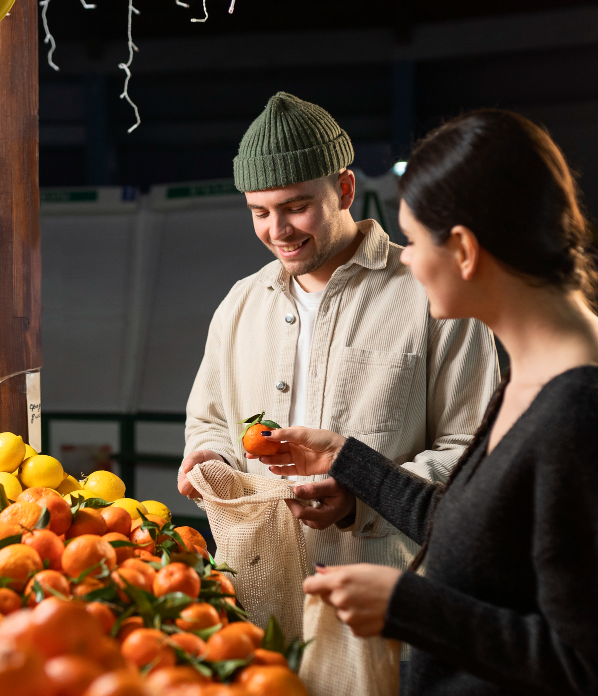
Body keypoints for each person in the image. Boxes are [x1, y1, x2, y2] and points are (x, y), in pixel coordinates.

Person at [254, 110, 598, 696]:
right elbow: (479, 531)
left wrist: (410, 606)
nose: (402, 256)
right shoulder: (535, 369)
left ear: (463, 248)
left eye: (414, 239)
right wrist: (350, 459)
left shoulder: (587, 414)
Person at [179, 91, 499, 578]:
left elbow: (473, 450)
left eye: (295, 207)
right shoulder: (240, 304)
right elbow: (211, 421)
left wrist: (360, 500)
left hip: (387, 606)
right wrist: (210, 456)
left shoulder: (435, 296)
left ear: (345, 190)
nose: (277, 231)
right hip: (253, 595)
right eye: (259, 212)